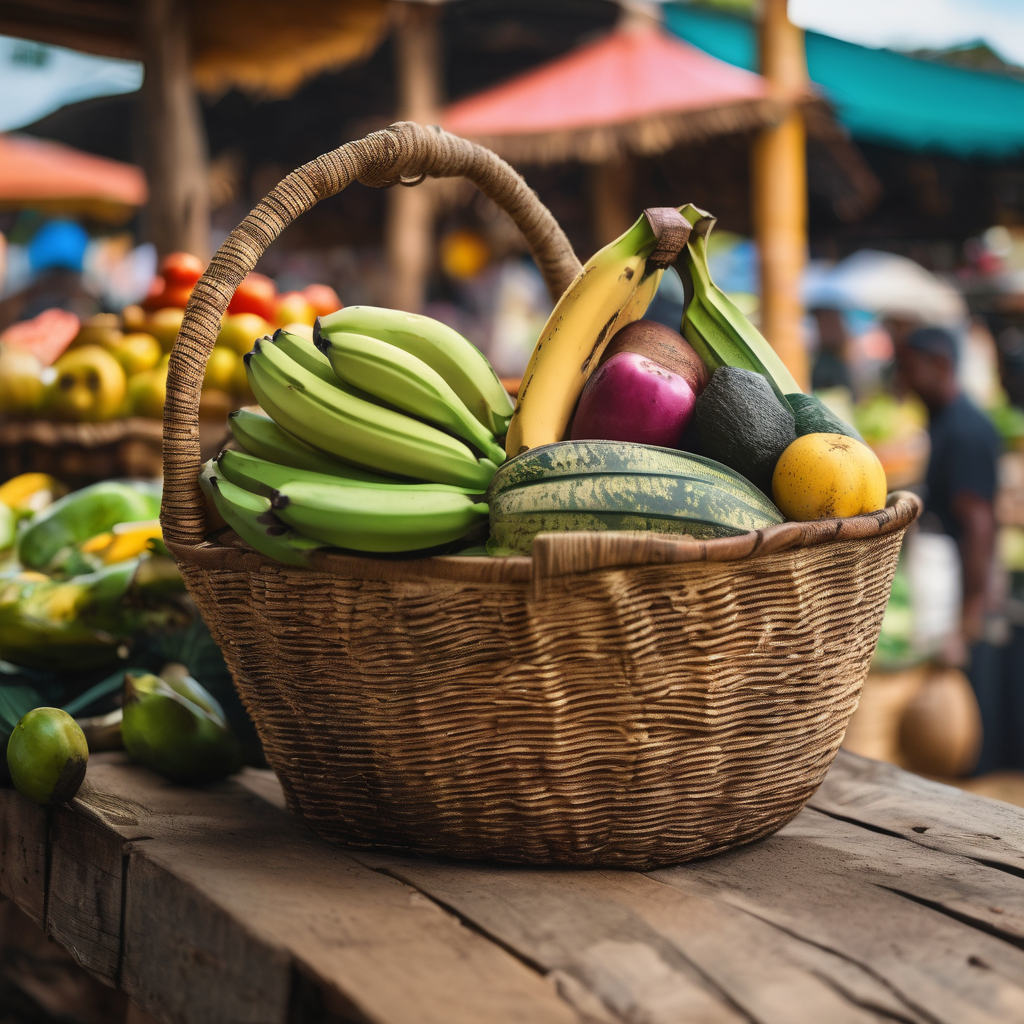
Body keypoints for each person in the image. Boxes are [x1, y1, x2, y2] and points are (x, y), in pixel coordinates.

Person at [895, 325, 1004, 771]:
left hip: (964, 581)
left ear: (941, 365)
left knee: (973, 710)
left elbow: (978, 524)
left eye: (909, 370)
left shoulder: (966, 430)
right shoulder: (941, 422)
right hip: (951, 578)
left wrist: (969, 614)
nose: (902, 383)